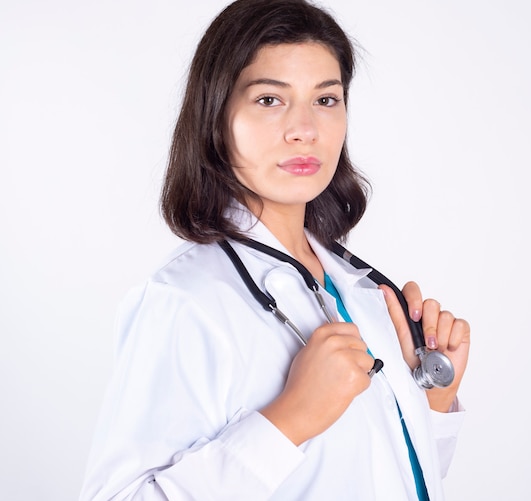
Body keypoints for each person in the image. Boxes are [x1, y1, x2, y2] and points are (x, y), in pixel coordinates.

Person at [80, 0, 470, 499]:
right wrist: (289, 420)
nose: (304, 129)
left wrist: (435, 401)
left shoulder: (367, 294)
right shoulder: (184, 302)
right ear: (217, 118)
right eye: (269, 100)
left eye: (326, 100)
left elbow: (379, 476)